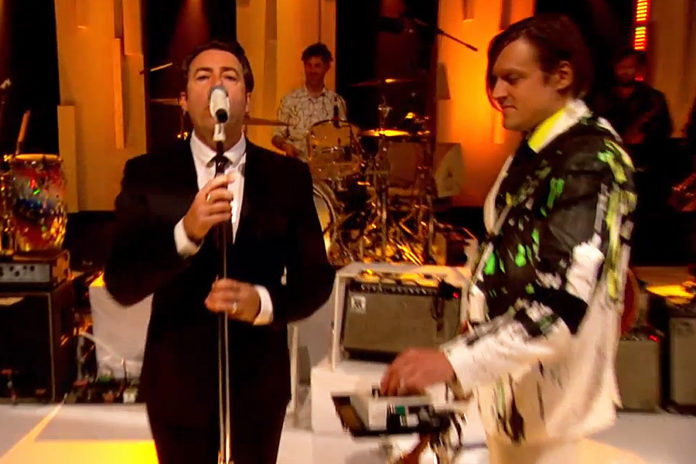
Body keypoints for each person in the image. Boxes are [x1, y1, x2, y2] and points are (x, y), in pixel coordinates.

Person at [380, 15, 636, 464]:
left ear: (562, 75)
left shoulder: (591, 159)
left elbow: (559, 308)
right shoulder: (540, 148)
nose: (497, 93)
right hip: (514, 392)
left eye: (512, 79)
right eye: (495, 79)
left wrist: (454, 360)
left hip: (552, 404)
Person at [104, 40, 335, 464]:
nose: (217, 86)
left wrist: (263, 303)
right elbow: (121, 281)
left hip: (258, 384)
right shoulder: (147, 173)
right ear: (183, 100)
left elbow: (317, 278)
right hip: (177, 383)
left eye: (230, 77)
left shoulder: (288, 177)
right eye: (203, 76)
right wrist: (185, 234)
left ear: (247, 97)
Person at [271, 42, 347, 160]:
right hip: (297, 164)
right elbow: (277, 136)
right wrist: (286, 146)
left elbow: (344, 138)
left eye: (317, 66)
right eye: (309, 65)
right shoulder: (290, 100)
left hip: (326, 166)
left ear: (326, 67)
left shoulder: (336, 102)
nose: (312, 71)